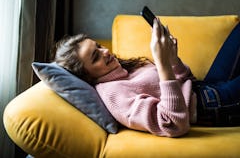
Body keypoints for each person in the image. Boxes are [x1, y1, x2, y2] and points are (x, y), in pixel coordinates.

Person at [54, 18, 240, 137]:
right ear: (87, 76)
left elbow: (186, 81)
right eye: (96, 57)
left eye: (98, 46)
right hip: (209, 105)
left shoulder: (123, 69)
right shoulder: (113, 94)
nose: (106, 52)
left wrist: (173, 60)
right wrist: (162, 63)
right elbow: (174, 123)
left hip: (204, 87)